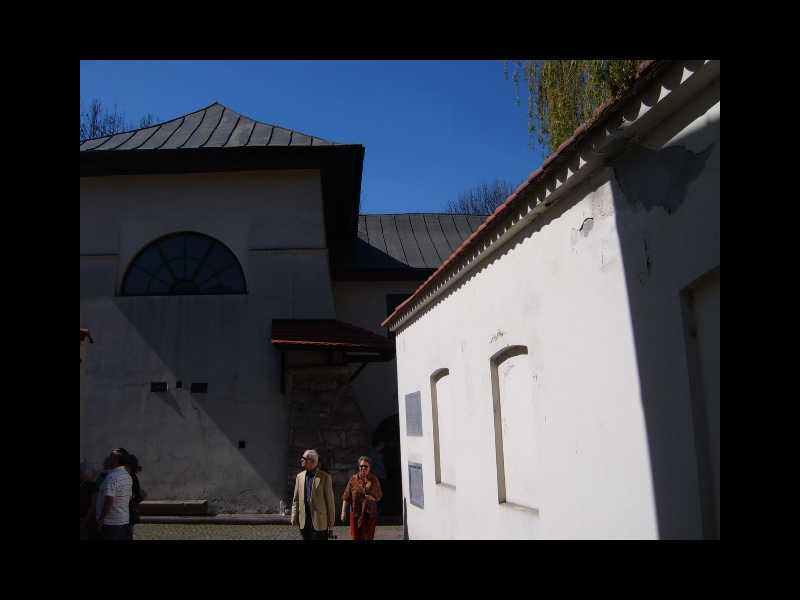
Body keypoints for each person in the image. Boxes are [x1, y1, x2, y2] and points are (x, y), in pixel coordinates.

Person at [290, 449, 335, 541]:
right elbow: (296, 499)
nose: (301, 460)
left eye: (304, 458)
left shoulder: (325, 477)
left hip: (320, 521)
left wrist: (331, 524)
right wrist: (294, 516)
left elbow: (330, 502)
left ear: (312, 461)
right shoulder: (300, 477)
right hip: (304, 520)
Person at [94, 448, 133, 540]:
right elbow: (129, 497)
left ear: (115, 460)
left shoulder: (112, 477)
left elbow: (109, 501)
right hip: (123, 520)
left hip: (111, 523)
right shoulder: (127, 476)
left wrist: (101, 519)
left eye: (110, 457)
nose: (108, 459)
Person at [341, 456, 383, 541]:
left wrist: (372, 498)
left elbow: (379, 496)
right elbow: (346, 496)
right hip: (355, 513)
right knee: (356, 537)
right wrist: (343, 512)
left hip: (369, 515)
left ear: (369, 468)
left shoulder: (374, 480)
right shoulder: (353, 479)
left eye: (366, 466)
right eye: (361, 466)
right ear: (358, 467)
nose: (363, 468)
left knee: (368, 537)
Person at [125, 454, 145, 540]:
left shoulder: (130, 477)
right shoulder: (132, 477)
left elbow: (138, 495)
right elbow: (139, 495)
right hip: (129, 509)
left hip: (128, 510)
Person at [80, 461, 99, 540]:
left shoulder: (92, 486)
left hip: (88, 520)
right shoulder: (84, 484)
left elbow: (93, 505)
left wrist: (85, 521)